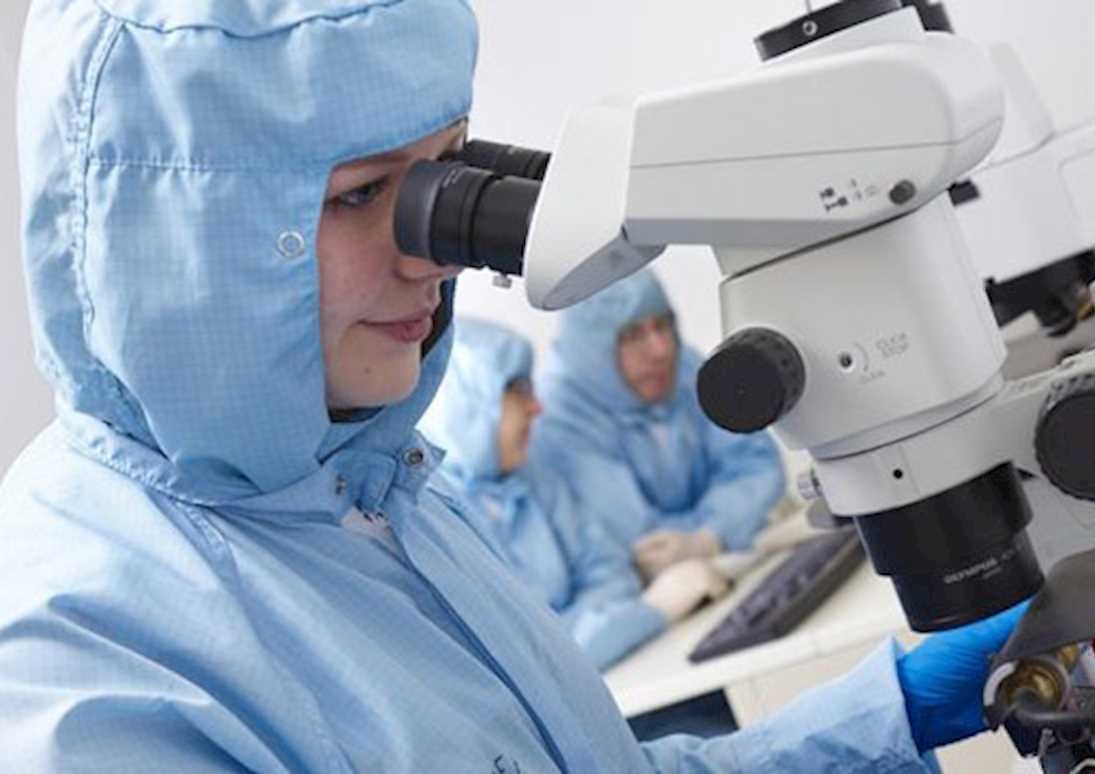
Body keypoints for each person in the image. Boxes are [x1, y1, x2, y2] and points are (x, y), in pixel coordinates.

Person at [0, 0, 1021, 770]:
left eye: (446, 169)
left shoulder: (379, 495)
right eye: (359, 195)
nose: (432, 256)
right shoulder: (79, 656)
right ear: (163, 249)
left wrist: (881, 713)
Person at [420, 317, 728, 670]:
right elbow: (525, 661)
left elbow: (610, 574)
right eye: (519, 392)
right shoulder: (438, 522)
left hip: (630, 668)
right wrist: (644, 615)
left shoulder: (534, 478)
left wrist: (602, 630)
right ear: (470, 404)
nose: (537, 408)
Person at [534, 271, 785, 581]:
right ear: (592, 346)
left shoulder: (680, 366)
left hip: (730, 566)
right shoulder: (560, 422)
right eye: (633, 335)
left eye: (662, 324)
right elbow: (642, 542)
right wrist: (729, 524)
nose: (660, 349)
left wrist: (709, 537)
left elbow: (756, 462)